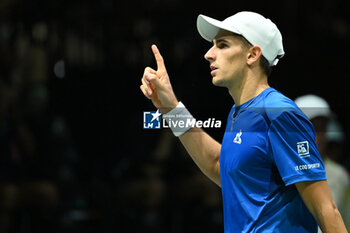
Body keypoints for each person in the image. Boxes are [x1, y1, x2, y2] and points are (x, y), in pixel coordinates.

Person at [140, 11, 347, 232]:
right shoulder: (238, 113)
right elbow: (220, 167)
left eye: (222, 45)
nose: (209, 54)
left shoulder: (279, 112)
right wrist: (171, 108)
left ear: (252, 54)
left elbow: (327, 210)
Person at [295, 95, 350, 232]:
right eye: (311, 127)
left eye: (322, 128)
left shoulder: (340, 176)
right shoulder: (276, 171)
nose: (318, 136)